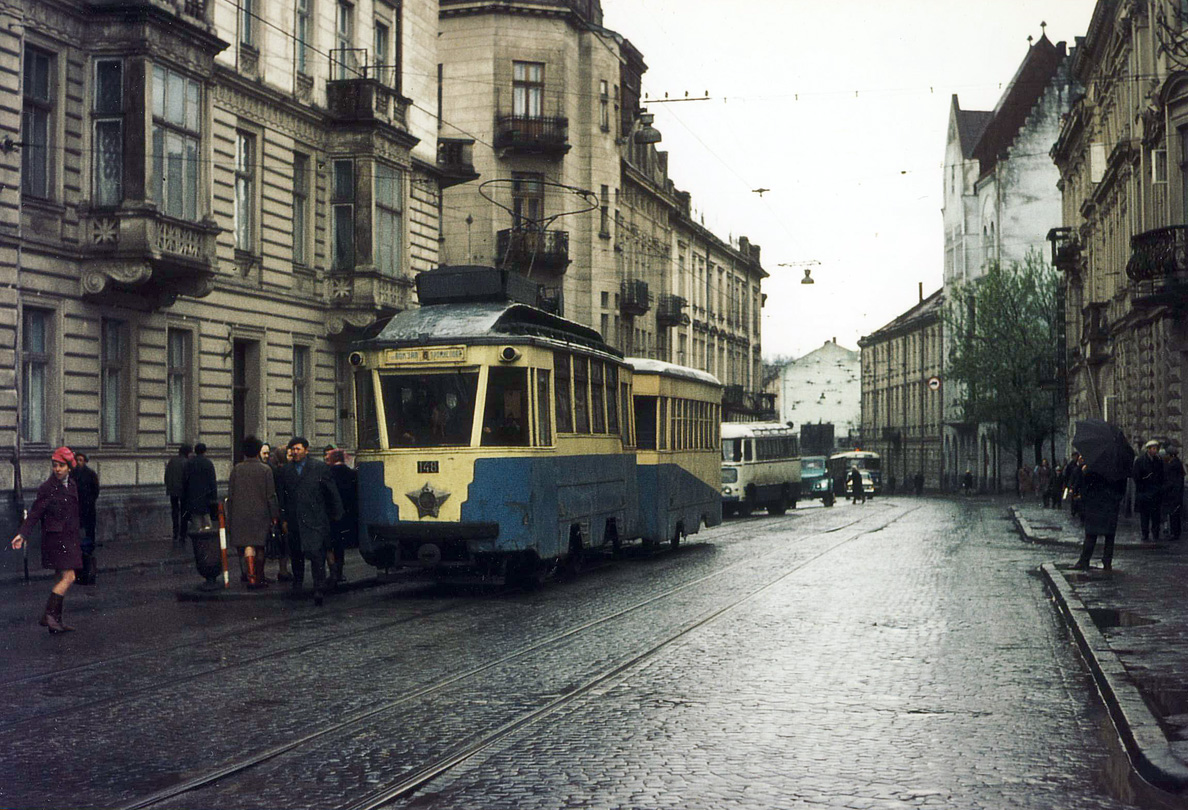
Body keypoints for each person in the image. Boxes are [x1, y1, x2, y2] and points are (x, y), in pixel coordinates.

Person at [10, 447, 83, 633]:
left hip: (70, 538)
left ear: (69, 467)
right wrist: (22, 534)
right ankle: (49, 615)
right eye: (55, 466)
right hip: (56, 539)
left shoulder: (72, 485)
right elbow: (35, 513)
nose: (57, 469)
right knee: (69, 577)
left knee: (60, 577)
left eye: (61, 466)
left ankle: (56, 621)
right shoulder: (47, 488)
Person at [278, 437, 343, 606]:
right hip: (294, 520)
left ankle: (318, 587)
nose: (295, 452)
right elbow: (282, 497)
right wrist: (283, 518)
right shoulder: (286, 470)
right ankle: (297, 584)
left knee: (316, 554)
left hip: (315, 518)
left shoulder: (319, 468)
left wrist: (336, 513)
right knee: (296, 554)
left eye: (298, 449)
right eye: (292, 449)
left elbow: (331, 492)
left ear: (306, 450)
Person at [225, 436, 279, 589]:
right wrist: (274, 515)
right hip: (261, 514)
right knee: (260, 546)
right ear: (257, 451)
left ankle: (250, 577)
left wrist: (231, 517)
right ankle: (259, 576)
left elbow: (231, 495)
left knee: (247, 545)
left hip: (240, 514)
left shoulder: (236, 469)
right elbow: (271, 496)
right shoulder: (266, 470)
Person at [1073, 462, 1127, 571]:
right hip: (1110, 506)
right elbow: (1122, 488)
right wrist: (1115, 500)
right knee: (1109, 536)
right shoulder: (1118, 468)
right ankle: (1107, 562)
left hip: (1095, 505)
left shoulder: (1093, 467)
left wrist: (1084, 473)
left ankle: (1084, 561)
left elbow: (1086, 487)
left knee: (1091, 535)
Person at [326, 449, 357, 588]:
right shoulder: (351, 473)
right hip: (347, 514)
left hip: (330, 513)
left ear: (333, 459)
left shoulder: (328, 474)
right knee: (340, 545)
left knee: (330, 544)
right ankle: (339, 572)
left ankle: (333, 573)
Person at [71, 451, 100, 585]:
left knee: (88, 537)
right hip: (76, 510)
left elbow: (96, 491)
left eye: (81, 460)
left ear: (85, 461)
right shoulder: (72, 475)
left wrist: (89, 501)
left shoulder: (91, 474)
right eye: (77, 460)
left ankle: (88, 569)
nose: (79, 462)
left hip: (88, 509)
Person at [182, 442, 218, 534]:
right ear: (205, 451)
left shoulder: (190, 463)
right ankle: (206, 541)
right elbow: (212, 481)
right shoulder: (208, 463)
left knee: (196, 522)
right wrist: (214, 498)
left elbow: (185, 481)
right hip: (206, 497)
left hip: (193, 496)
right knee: (207, 521)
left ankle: (198, 541)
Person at [1133, 439, 1164, 541]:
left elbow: (1161, 476)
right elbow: (1136, 477)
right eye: (1153, 449)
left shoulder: (1158, 461)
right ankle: (1145, 533)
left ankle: (1155, 533)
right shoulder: (1140, 461)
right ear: (1149, 449)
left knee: (1156, 516)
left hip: (1155, 493)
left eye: (1156, 449)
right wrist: (1145, 478)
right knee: (1145, 515)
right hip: (1144, 492)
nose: (1155, 451)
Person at [165, 444, 191, 544]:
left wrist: (169, 486)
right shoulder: (186, 462)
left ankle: (175, 532)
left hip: (172, 490)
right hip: (183, 491)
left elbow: (167, 475)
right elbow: (187, 478)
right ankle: (182, 534)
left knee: (174, 511)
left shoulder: (172, 461)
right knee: (184, 512)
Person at [1164, 447, 1184, 541]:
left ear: (1171, 455)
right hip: (1176, 493)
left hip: (1173, 494)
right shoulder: (1177, 464)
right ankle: (1175, 532)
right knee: (1175, 514)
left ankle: (1174, 533)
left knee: (1173, 514)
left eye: (1167, 454)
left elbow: (1171, 481)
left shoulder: (1173, 466)